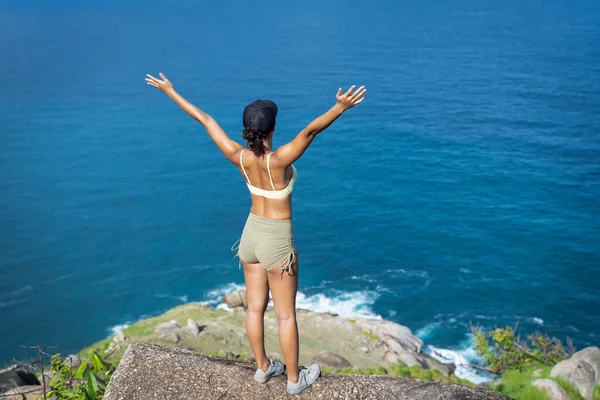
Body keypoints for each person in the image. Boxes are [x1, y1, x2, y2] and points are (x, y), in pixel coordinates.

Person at [145, 72, 366, 395]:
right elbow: (311, 131)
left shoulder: (240, 157)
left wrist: (170, 91)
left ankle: (263, 368)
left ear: (246, 130)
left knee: (253, 308)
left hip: (250, 236)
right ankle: (294, 380)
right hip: (276, 240)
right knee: (286, 315)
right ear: (272, 129)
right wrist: (339, 108)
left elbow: (204, 119)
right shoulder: (279, 160)